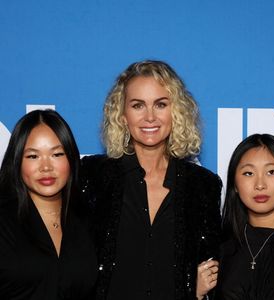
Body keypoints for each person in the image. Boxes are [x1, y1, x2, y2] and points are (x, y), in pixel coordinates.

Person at [81, 60, 222, 300]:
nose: (149, 117)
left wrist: (192, 290)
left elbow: (209, 265)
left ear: (176, 111)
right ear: (122, 115)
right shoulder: (92, 176)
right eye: (137, 105)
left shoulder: (203, 186)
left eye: (160, 104)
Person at [0, 110, 98, 300]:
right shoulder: (4, 222)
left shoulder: (88, 221)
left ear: (71, 158)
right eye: (33, 156)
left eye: (57, 154)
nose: (46, 167)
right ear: (17, 161)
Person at [215, 133, 274, 299]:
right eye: (248, 173)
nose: (260, 185)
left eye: (271, 172)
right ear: (235, 185)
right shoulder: (219, 249)